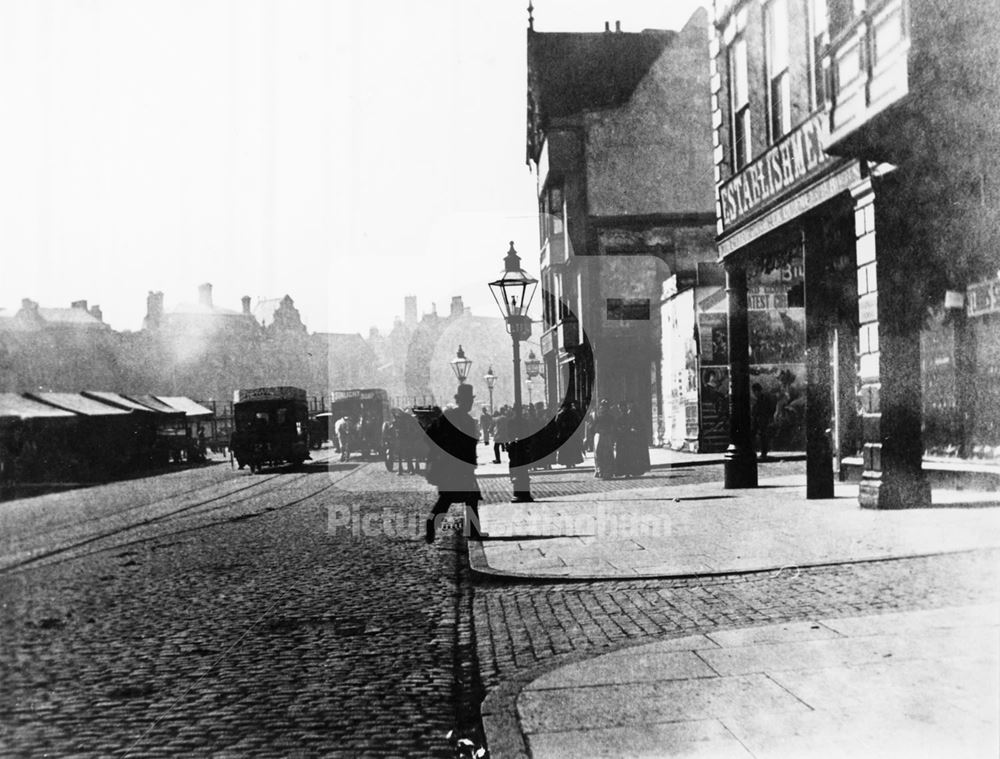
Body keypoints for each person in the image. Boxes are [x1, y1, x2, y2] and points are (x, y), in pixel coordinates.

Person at [425, 384, 482, 543]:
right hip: (450, 467)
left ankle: (473, 531)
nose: (469, 404)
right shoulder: (449, 416)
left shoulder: (468, 420)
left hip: (463, 466)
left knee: (470, 497)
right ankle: (431, 524)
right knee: (447, 499)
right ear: (460, 401)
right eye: (467, 401)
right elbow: (430, 434)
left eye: (470, 401)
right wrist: (442, 452)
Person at [592, 399, 618, 479]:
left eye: (604, 407)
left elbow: (613, 428)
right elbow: (592, 428)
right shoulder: (598, 417)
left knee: (607, 454)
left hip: (607, 437)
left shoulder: (609, 417)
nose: (603, 408)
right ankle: (600, 470)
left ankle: (607, 471)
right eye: (602, 406)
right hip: (599, 437)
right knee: (599, 454)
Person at [750, 383, 776, 460]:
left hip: (762, 419)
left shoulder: (764, 398)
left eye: (755, 392)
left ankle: (763, 453)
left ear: (757, 391)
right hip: (758, 419)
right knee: (757, 435)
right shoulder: (761, 398)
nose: (754, 394)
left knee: (762, 436)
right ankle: (758, 451)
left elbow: (765, 409)